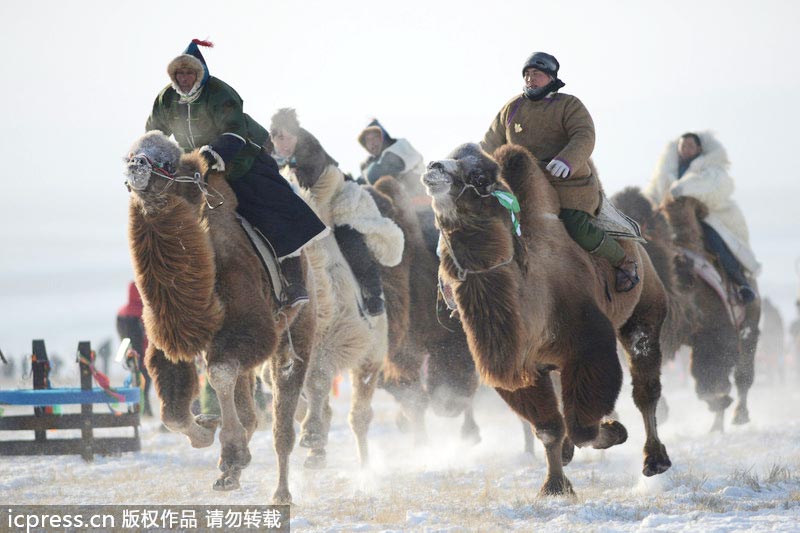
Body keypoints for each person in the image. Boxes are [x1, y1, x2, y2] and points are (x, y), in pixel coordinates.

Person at [145, 39, 327, 310]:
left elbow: (234, 131)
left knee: (268, 206)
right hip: (193, 168)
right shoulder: (166, 99)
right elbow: (154, 134)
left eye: (189, 73)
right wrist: (147, 160)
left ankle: (293, 279)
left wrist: (212, 154)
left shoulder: (220, 93)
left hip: (240, 159)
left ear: (199, 74)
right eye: (179, 74)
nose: (183, 79)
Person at [481, 52, 639, 292]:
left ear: (551, 77)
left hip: (567, 184)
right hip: (522, 187)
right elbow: (490, 143)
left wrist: (567, 160)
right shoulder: (512, 108)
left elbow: (584, 135)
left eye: (537, 74)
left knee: (577, 227)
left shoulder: (569, 105)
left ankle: (623, 260)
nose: (530, 79)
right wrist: (476, 164)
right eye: (527, 74)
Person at [270, 108, 404, 316]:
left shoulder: (310, 151)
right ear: (273, 138)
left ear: (297, 136)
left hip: (334, 195)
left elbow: (309, 184)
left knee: (348, 235)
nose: (285, 143)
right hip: (296, 203)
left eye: (289, 138)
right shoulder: (268, 154)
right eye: (280, 138)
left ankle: (373, 293)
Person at [645, 132, 759, 304]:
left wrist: (682, 190)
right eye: (683, 146)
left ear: (699, 149)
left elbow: (710, 187)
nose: (686, 149)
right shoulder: (667, 171)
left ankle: (741, 283)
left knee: (716, 242)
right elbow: (654, 193)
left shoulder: (709, 169)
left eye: (690, 146)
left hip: (701, 217)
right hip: (669, 218)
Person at [358, 119, 427, 203]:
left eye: (375, 137)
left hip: (422, 196)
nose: (372, 142)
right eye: (367, 141)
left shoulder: (398, 146)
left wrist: (367, 169)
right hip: (404, 204)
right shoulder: (375, 162)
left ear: (382, 137)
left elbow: (375, 174)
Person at [116, 281, 153, 416]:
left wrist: (122, 354)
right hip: (142, 352)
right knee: (145, 380)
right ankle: (145, 409)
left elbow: (122, 336)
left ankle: (140, 409)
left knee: (135, 378)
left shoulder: (121, 312)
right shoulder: (143, 312)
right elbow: (145, 337)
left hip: (127, 349)